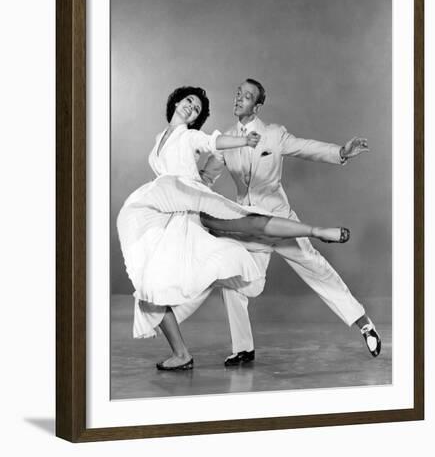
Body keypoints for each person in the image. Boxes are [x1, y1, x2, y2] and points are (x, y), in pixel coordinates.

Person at [117, 86, 351, 371]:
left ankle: (316, 232)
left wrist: (242, 142)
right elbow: (201, 170)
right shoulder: (158, 140)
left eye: (198, 109)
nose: (192, 107)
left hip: (191, 206)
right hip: (168, 211)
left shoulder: (190, 136)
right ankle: (181, 354)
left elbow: (213, 142)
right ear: (177, 101)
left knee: (247, 219)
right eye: (189, 101)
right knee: (148, 289)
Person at [200, 78, 381, 367]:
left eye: (246, 96)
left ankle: (364, 325)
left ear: (257, 106)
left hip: (281, 223)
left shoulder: (274, 134)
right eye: (238, 94)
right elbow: (206, 178)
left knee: (318, 270)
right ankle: (243, 348)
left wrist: (341, 152)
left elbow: (306, 148)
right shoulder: (226, 140)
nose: (239, 99)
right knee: (233, 281)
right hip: (248, 227)